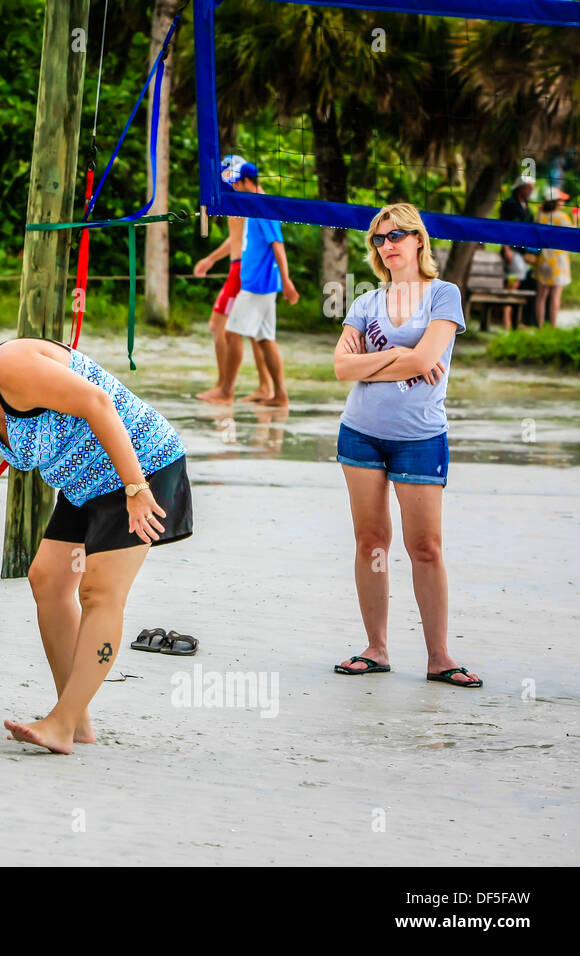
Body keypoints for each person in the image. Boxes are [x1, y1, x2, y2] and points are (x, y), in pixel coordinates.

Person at [0, 335, 193, 754]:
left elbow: (98, 404)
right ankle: (77, 720)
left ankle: (63, 722)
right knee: (47, 581)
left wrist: (136, 487)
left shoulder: (11, 367)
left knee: (99, 592)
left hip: (140, 465)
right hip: (85, 483)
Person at [332, 202, 480, 689]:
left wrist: (386, 358)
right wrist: (400, 353)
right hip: (360, 432)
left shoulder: (444, 294)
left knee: (426, 547)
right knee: (370, 542)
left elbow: (426, 361)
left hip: (419, 437)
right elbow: (340, 369)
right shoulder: (366, 302)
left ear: (418, 239)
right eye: (378, 239)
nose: (386, 244)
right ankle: (376, 649)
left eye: (395, 235)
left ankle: (439, 657)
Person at [215, 161, 299, 406]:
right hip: (258, 283)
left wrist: (287, 281)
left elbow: (278, 245)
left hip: (258, 286)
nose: (235, 189)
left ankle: (225, 391)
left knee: (231, 333)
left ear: (247, 182)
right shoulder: (254, 206)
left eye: (237, 184)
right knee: (265, 339)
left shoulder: (263, 207)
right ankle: (280, 395)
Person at [193, 155, 273, 403]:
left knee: (220, 326)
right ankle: (266, 387)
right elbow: (236, 239)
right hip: (243, 267)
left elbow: (263, 240)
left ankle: (224, 388)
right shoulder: (242, 199)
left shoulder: (247, 199)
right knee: (257, 334)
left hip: (243, 270)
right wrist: (212, 259)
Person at [498, 177, 536, 329]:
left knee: (516, 284)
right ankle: (506, 319)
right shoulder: (509, 205)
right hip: (511, 250)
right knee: (511, 284)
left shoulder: (527, 207)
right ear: (521, 188)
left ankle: (513, 320)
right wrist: (506, 248)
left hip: (522, 251)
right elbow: (503, 227)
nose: (531, 191)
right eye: (529, 188)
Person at [533, 185, 573, 329]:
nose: (562, 202)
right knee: (555, 296)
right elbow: (572, 234)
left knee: (541, 296)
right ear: (556, 202)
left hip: (543, 260)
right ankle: (553, 326)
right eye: (561, 200)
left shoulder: (540, 216)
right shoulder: (562, 217)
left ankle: (540, 327)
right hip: (559, 262)